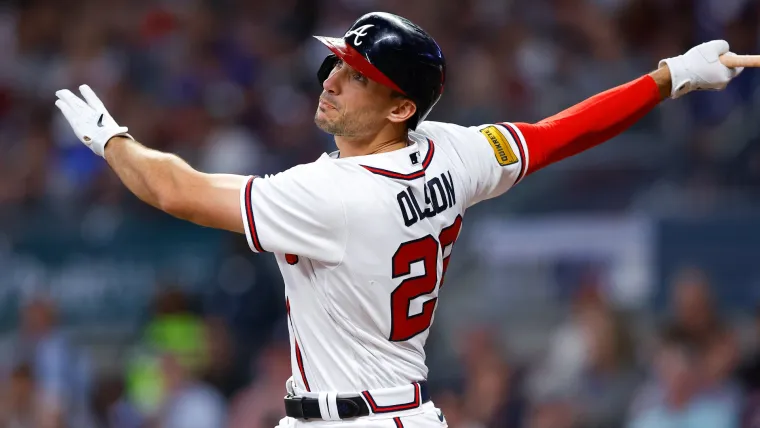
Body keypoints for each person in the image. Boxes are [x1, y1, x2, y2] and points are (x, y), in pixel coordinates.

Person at [53, 11, 744, 428]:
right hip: (390, 410)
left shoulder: (331, 194)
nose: (331, 78)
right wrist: (669, 77)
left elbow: (176, 191)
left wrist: (110, 138)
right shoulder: (456, 154)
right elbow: (562, 132)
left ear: (398, 108)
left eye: (357, 75)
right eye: (339, 63)